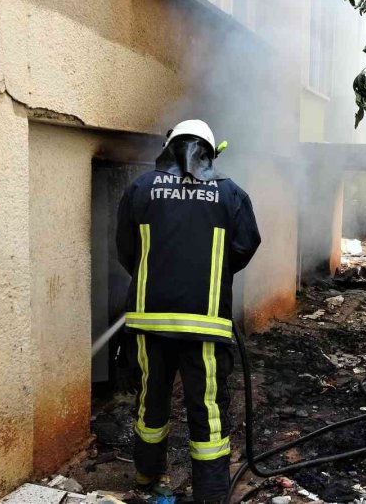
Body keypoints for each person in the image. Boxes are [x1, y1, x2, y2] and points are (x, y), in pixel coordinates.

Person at [116, 119, 260, 503]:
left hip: (149, 322)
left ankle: (146, 475)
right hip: (206, 325)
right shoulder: (230, 194)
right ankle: (211, 494)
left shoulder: (140, 189)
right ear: (211, 154)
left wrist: (157, 274)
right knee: (208, 409)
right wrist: (207, 273)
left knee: (151, 401)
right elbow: (245, 246)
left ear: (168, 148)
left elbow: (126, 250)